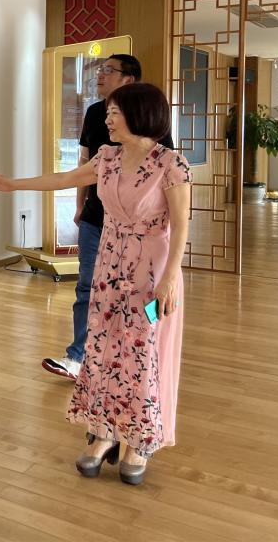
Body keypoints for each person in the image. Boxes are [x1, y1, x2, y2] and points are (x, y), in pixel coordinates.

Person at [0, 83, 190, 485]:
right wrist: (14, 184)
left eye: (115, 112)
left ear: (140, 115)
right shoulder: (107, 157)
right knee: (104, 348)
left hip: (152, 271)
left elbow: (182, 225)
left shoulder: (171, 164)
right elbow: (64, 178)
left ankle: (139, 439)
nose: (107, 119)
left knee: (142, 352)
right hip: (109, 267)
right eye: (108, 112)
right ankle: (103, 431)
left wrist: (170, 277)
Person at [41, 54, 174, 382]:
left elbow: (165, 176)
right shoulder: (94, 114)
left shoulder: (149, 120)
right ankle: (79, 357)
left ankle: (136, 357)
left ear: (129, 79)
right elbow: (82, 165)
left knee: (136, 295)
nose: (100, 75)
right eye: (100, 70)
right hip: (96, 219)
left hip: (140, 231)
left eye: (108, 70)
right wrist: (80, 205)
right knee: (88, 286)